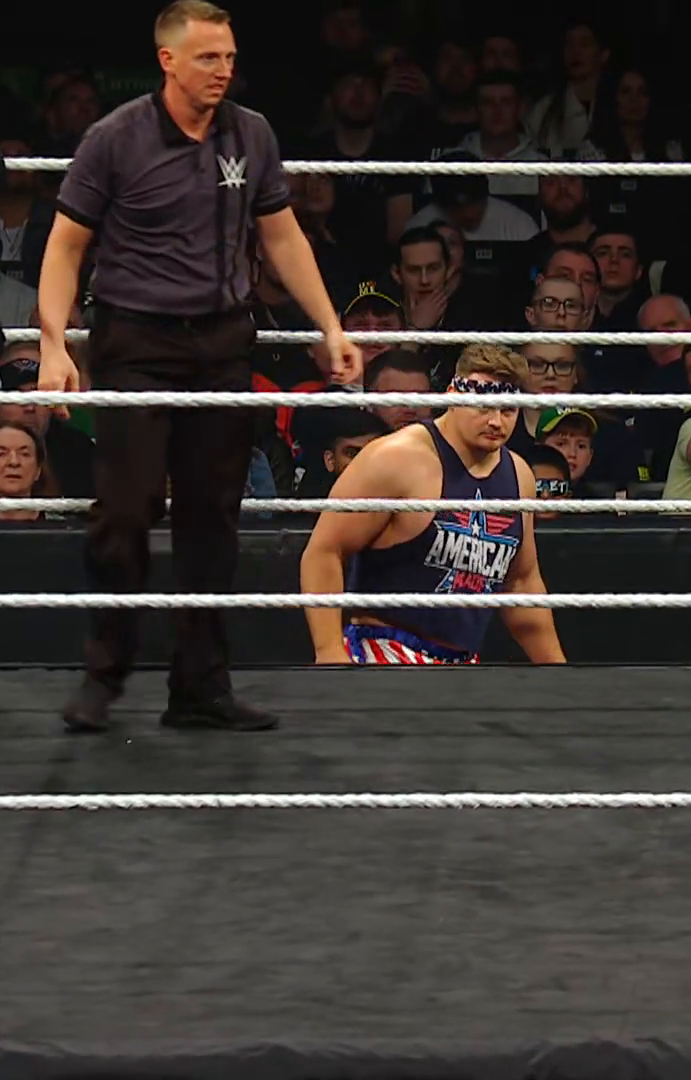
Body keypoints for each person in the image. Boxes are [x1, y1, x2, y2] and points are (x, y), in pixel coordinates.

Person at [41, 1, 363, 734]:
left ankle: (200, 688)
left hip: (221, 341)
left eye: (229, 57)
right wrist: (55, 343)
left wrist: (329, 324)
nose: (223, 70)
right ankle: (104, 673)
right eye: (208, 57)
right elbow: (65, 245)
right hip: (135, 341)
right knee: (125, 510)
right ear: (168, 61)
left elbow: (282, 236)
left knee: (213, 515)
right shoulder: (115, 137)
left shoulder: (251, 133)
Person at [298, 345, 565, 666]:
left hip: (462, 666)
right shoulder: (396, 458)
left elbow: (520, 583)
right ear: (454, 395)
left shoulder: (519, 476)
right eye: (483, 406)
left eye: (507, 410)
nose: (496, 421)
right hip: (385, 654)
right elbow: (325, 551)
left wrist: (557, 670)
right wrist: (329, 652)